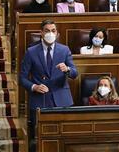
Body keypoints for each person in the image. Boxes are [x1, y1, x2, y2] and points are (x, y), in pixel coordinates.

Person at [20, 19, 77, 152]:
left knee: (64, 137)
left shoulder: (64, 50)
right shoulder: (31, 51)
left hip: (62, 100)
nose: (50, 33)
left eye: (53, 31)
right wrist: (34, 86)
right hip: (40, 100)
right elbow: (22, 78)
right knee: (40, 139)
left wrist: (67, 69)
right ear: (41, 32)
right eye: (47, 31)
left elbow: (75, 73)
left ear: (57, 33)